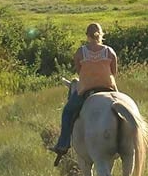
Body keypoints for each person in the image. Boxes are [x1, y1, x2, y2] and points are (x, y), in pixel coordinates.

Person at [50, 22, 118, 159]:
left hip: (87, 89)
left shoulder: (81, 52)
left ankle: (63, 144)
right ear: (101, 34)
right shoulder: (109, 51)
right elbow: (114, 72)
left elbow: (79, 72)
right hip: (109, 88)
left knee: (68, 111)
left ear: (87, 35)